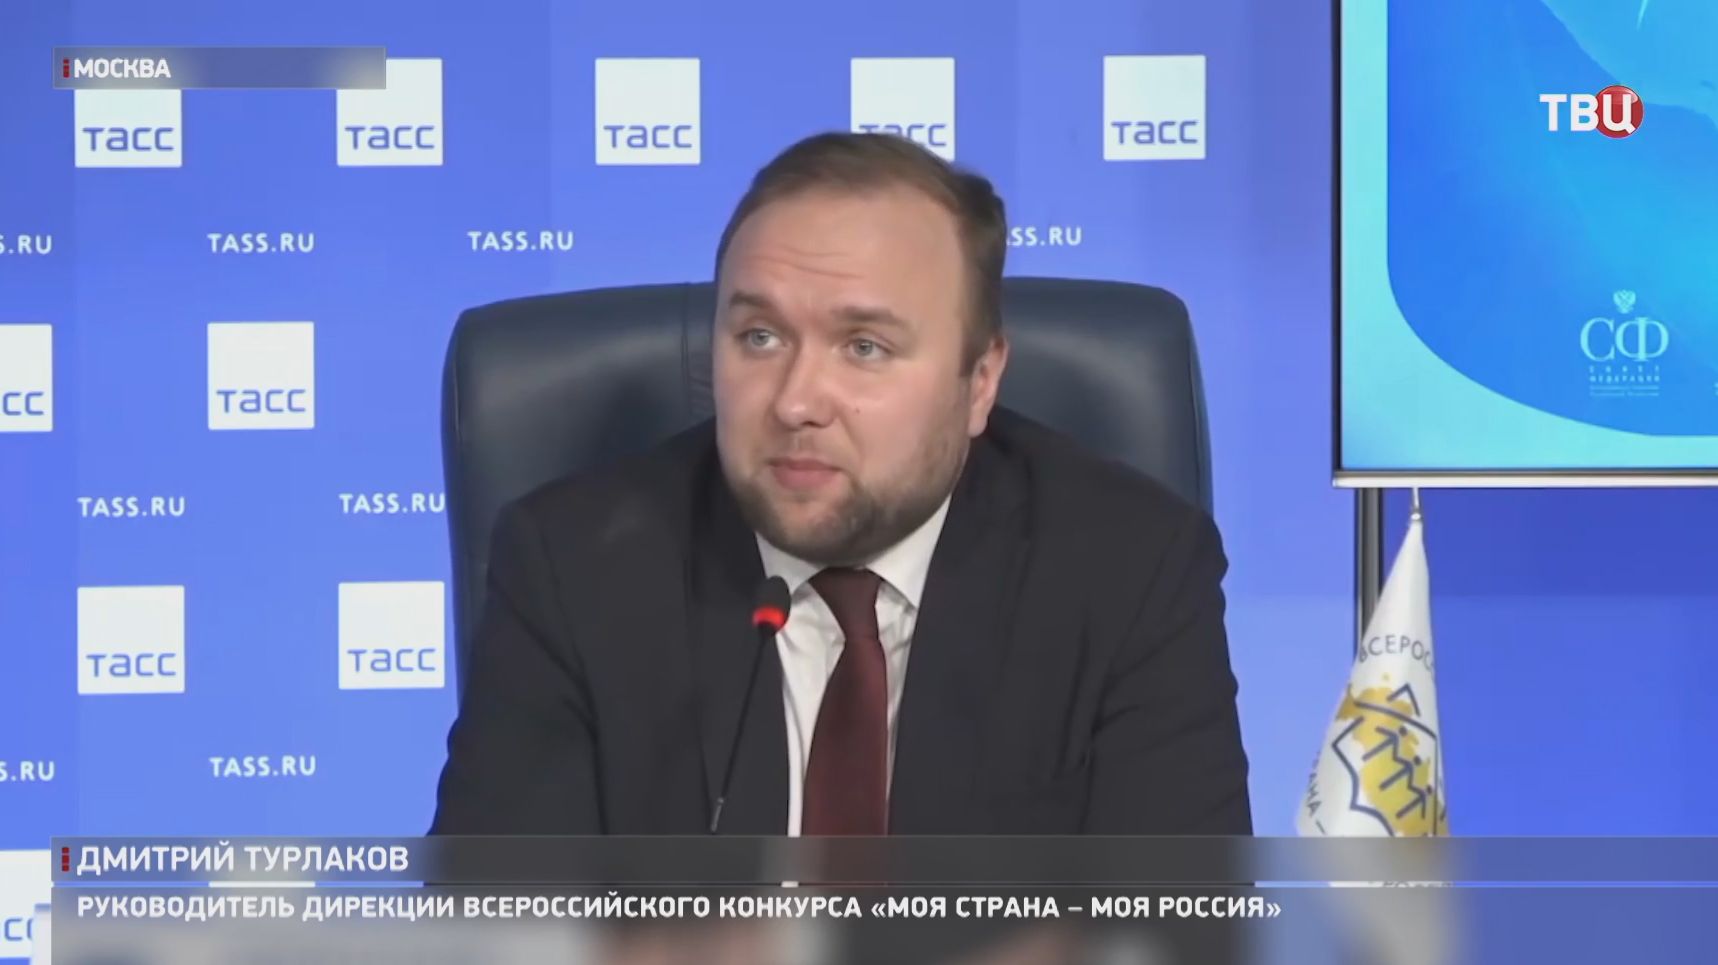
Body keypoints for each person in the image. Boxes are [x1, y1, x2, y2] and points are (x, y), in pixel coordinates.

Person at [429, 131, 1251, 837]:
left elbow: (1177, 929)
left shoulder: (1131, 570)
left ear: (980, 381)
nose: (795, 401)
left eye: (864, 347)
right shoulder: (573, 566)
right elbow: (492, 925)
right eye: (759, 336)